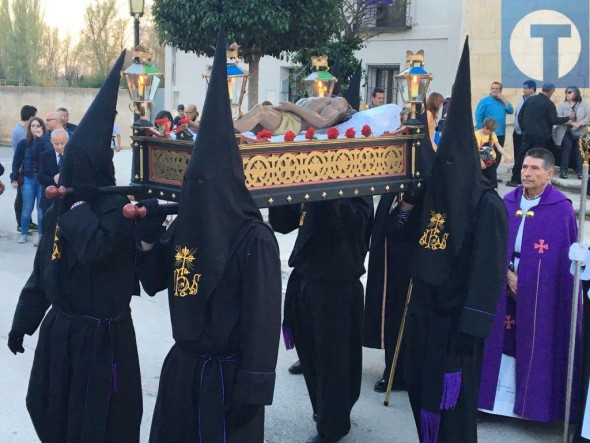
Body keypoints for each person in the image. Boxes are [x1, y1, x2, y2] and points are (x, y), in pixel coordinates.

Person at [136, 31, 282, 443]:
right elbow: (153, 282)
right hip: (183, 369)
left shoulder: (254, 240)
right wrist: (147, 238)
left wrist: (253, 390)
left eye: (202, 184)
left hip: (229, 377)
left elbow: (263, 322)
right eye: (189, 183)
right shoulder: (187, 227)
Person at [7, 51, 143, 442]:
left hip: (104, 340)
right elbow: (43, 270)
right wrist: (24, 321)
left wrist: (78, 206)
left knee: (102, 423)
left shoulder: (119, 209)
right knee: (52, 409)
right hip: (62, 332)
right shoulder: (60, 206)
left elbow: (95, 247)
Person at [404, 40, 508, 443]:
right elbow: (404, 241)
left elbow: (487, 274)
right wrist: (407, 206)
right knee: (420, 396)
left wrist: (471, 329)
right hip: (423, 317)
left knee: (453, 411)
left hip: (455, 329)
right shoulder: (434, 198)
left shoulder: (487, 208)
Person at [479, 148, 582, 423]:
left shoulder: (560, 210)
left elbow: (562, 261)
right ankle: (492, 405)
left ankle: (530, 406)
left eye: (535, 168)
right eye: (525, 167)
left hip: (541, 290)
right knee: (499, 337)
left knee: (535, 340)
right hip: (503, 283)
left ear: (549, 174)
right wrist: (506, 275)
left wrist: (529, 280)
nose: (527, 173)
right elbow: (491, 245)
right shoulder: (506, 202)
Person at [508, 83, 572, 187]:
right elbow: (554, 120)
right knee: (537, 158)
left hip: (527, 134)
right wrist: (568, 118)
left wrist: (524, 129)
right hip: (541, 137)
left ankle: (515, 179)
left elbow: (520, 116)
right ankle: (534, 179)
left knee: (522, 156)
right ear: (551, 91)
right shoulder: (548, 103)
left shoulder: (529, 100)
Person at [234, 96, 354, 136]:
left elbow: (321, 121)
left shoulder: (340, 102)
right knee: (259, 109)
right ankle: (228, 128)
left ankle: (227, 132)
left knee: (260, 111)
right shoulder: (326, 100)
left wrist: (292, 107)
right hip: (285, 117)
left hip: (292, 123)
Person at [11, 117, 46, 244]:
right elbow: (16, 162)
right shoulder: (23, 143)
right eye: (33, 126)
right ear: (29, 128)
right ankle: (24, 233)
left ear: (42, 127)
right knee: (27, 208)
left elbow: (43, 156)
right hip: (28, 179)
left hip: (42, 181)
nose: (35, 128)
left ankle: (41, 236)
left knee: (41, 210)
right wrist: (14, 178)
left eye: (38, 125)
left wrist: (39, 140)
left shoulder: (46, 142)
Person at [475, 81, 514, 180]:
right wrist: (481, 131)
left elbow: (511, 111)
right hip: (487, 134)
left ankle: (492, 175)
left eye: (497, 89)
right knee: (486, 155)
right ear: (490, 89)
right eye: (493, 88)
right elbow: (478, 116)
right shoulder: (484, 101)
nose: (495, 90)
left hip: (500, 133)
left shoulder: (503, 101)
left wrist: (504, 99)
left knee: (497, 156)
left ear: (501, 91)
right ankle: (484, 176)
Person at [554, 86, 590, 179]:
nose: (567, 94)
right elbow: (559, 117)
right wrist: (571, 123)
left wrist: (579, 124)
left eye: (569, 92)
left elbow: (588, 117)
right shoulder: (563, 105)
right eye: (566, 92)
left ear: (576, 93)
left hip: (580, 131)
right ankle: (563, 171)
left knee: (579, 150)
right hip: (566, 130)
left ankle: (580, 172)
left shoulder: (583, 105)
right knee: (567, 149)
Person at [12, 105, 38, 233]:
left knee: (27, 199)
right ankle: (20, 224)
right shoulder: (20, 132)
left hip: (26, 169)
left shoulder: (23, 129)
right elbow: (19, 155)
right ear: (31, 116)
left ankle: (28, 222)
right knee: (21, 198)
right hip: (23, 170)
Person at [475, 118, 512, 188]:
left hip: (491, 161)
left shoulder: (492, 134)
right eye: (490, 130)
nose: (491, 132)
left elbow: (499, 147)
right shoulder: (476, 135)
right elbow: (475, 150)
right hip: (480, 161)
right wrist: (480, 161)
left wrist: (507, 156)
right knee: (481, 180)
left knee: (492, 180)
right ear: (485, 127)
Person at [38, 128, 68, 213]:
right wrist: (53, 179)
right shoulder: (45, 155)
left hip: (67, 201)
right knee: (47, 224)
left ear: (68, 140)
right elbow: (40, 177)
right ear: (51, 141)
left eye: (62, 143)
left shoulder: (73, 156)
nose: (59, 146)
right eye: (56, 143)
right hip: (49, 200)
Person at [512, 80, 537, 182]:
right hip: (517, 132)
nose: (523, 90)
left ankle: (522, 177)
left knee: (524, 157)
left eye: (525, 88)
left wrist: (523, 129)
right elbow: (517, 114)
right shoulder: (522, 99)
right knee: (517, 156)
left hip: (526, 134)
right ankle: (517, 175)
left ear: (532, 89)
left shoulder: (535, 100)